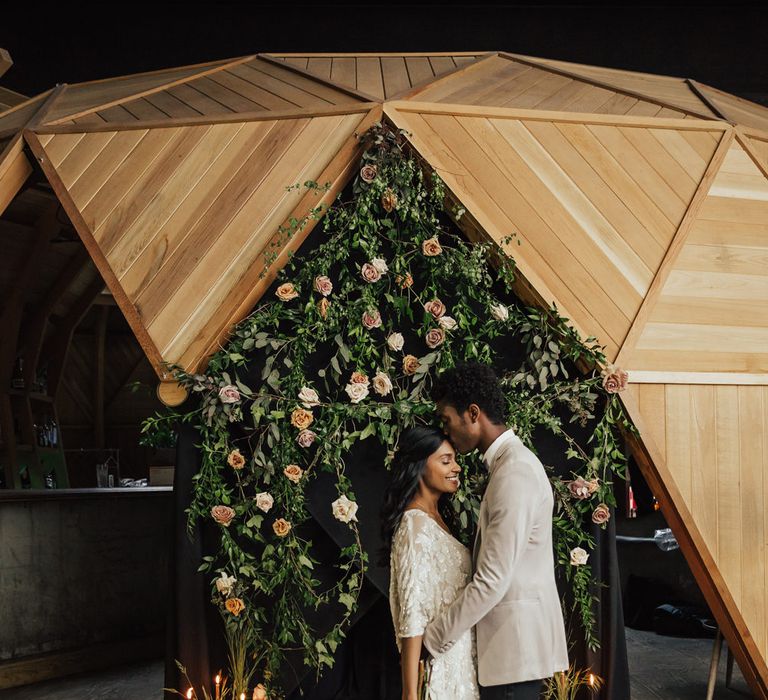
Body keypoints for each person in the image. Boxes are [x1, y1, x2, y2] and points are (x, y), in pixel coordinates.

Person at [423, 361, 569, 700]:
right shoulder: (508, 466)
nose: (446, 433)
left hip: (513, 656)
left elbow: (491, 580)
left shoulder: (514, 473)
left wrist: (431, 640)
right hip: (512, 657)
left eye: (447, 420)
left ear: (473, 413)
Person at [381, 426, 480, 700]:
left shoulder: (436, 520)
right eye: (445, 460)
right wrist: (410, 693)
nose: (457, 468)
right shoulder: (414, 527)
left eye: (455, 459)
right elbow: (412, 614)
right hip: (440, 671)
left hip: (460, 664)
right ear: (419, 466)